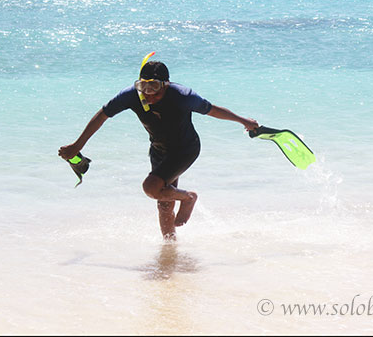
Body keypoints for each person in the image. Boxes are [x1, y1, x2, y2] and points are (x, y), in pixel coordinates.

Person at [58, 60, 259, 240]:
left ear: (166, 84)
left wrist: (243, 121)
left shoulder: (183, 96)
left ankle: (188, 198)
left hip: (185, 149)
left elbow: (213, 110)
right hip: (159, 150)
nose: (148, 93)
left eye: (154, 87)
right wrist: (78, 146)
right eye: (143, 86)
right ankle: (170, 249)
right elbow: (103, 115)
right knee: (163, 202)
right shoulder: (131, 96)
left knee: (151, 187)